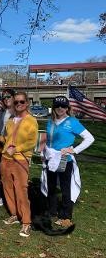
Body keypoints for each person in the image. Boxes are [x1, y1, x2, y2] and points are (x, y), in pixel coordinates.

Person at [41, 96, 94, 228]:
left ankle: (66, 216)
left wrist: (74, 150)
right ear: (53, 107)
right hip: (50, 159)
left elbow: (89, 138)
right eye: (57, 106)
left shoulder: (72, 122)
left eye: (63, 106)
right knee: (51, 187)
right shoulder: (50, 121)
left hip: (65, 160)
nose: (60, 108)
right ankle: (52, 211)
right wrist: (43, 153)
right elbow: (47, 140)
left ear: (67, 108)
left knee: (65, 189)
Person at [0, 91, 38, 237]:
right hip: (5, 159)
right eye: (16, 102)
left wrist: (17, 149)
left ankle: (26, 222)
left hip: (20, 159)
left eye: (22, 102)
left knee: (21, 190)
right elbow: (8, 139)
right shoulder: (10, 121)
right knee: (7, 188)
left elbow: (32, 142)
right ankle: (14, 214)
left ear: (27, 103)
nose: (19, 104)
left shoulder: (31, 120)